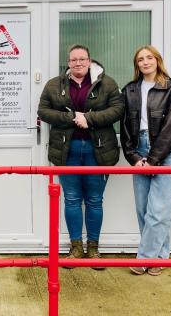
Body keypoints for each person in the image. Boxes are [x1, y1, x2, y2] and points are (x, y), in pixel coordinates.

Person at [37, 44, 124, 269]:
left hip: (99, 150)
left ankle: (93, 249)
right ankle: (75, 248)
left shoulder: (108, 83)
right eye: (74, 60)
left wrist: (89, 119)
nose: (78, 63)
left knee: (95, 200)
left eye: (82, 59)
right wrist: (72, 118)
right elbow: (43, 111)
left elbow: (118, 109)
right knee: (72, 199)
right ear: (68, 62)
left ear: (90, 61)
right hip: (68, 150)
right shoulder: (54, 85)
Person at [120, 45, 171, 276]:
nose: (145, 62)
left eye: (149, 58)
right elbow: (126, 126)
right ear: (136, 64)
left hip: (168, 151)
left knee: (159, 209)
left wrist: (154, 159)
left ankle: (143, 259)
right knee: (144, 210)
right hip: (141, 150)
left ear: (157, 60)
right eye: (140, 59)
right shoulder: (130, 90)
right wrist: (134, 157)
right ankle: (159, 258)